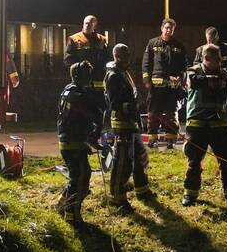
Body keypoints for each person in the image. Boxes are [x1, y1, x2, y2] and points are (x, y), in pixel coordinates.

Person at [182, 43, 227, 206]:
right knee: (194, 162)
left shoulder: (226, 75)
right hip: (197, 125)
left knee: (226, 161)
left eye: (218, 59)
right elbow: (193, 82)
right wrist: (215, 80)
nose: (217, 62)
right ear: (205, 58)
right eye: (214, 59)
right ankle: (190, 194)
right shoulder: (193, 71)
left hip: (220, 125)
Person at [106, 44, 152, 213]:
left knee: (140, 156)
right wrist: (129, 107)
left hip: (132, 124)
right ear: (116, 56)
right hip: (122, 126)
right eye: (123, 55)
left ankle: (142, 189)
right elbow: (113, 104)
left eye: (128, 55)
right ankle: (118, 198)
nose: (127, 58)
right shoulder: (113, 75)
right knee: (122, 163)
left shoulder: (123, 72)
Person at [56, 61, 98, 225]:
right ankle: (72, 215)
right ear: (79, 76)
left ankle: (62, 204)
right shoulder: (77, 96)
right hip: (72, 142)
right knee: (80, 178)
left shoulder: (69, 91)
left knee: (79, 176)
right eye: (87, 75)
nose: (89, 78)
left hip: (71, 141)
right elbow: (89, 115)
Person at [142, 18, 187, 146]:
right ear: (162, 28)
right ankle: (152, 139)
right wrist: (146, 81)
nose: (168, 31)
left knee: (171, 113)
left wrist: (180, 78)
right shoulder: (152, 44)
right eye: (166, 28)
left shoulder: (179, 46)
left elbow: (184, 66)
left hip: (172, 87)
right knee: (153, 113)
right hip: (155, 87)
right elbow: (146, 64)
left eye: (171, 29)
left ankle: (171, 139)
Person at [64, 15, 109, 138]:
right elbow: (68, 59)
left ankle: (95, 136)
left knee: (100, 110)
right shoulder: (74, 39)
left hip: (98, 82)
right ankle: (83, 135)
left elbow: (107, 58)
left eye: (90, 23)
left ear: (95, 25)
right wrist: (77, 71)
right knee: (83, 110)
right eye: (85, 23)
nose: (87, 25)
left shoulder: (102, 40)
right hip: (82, 83)